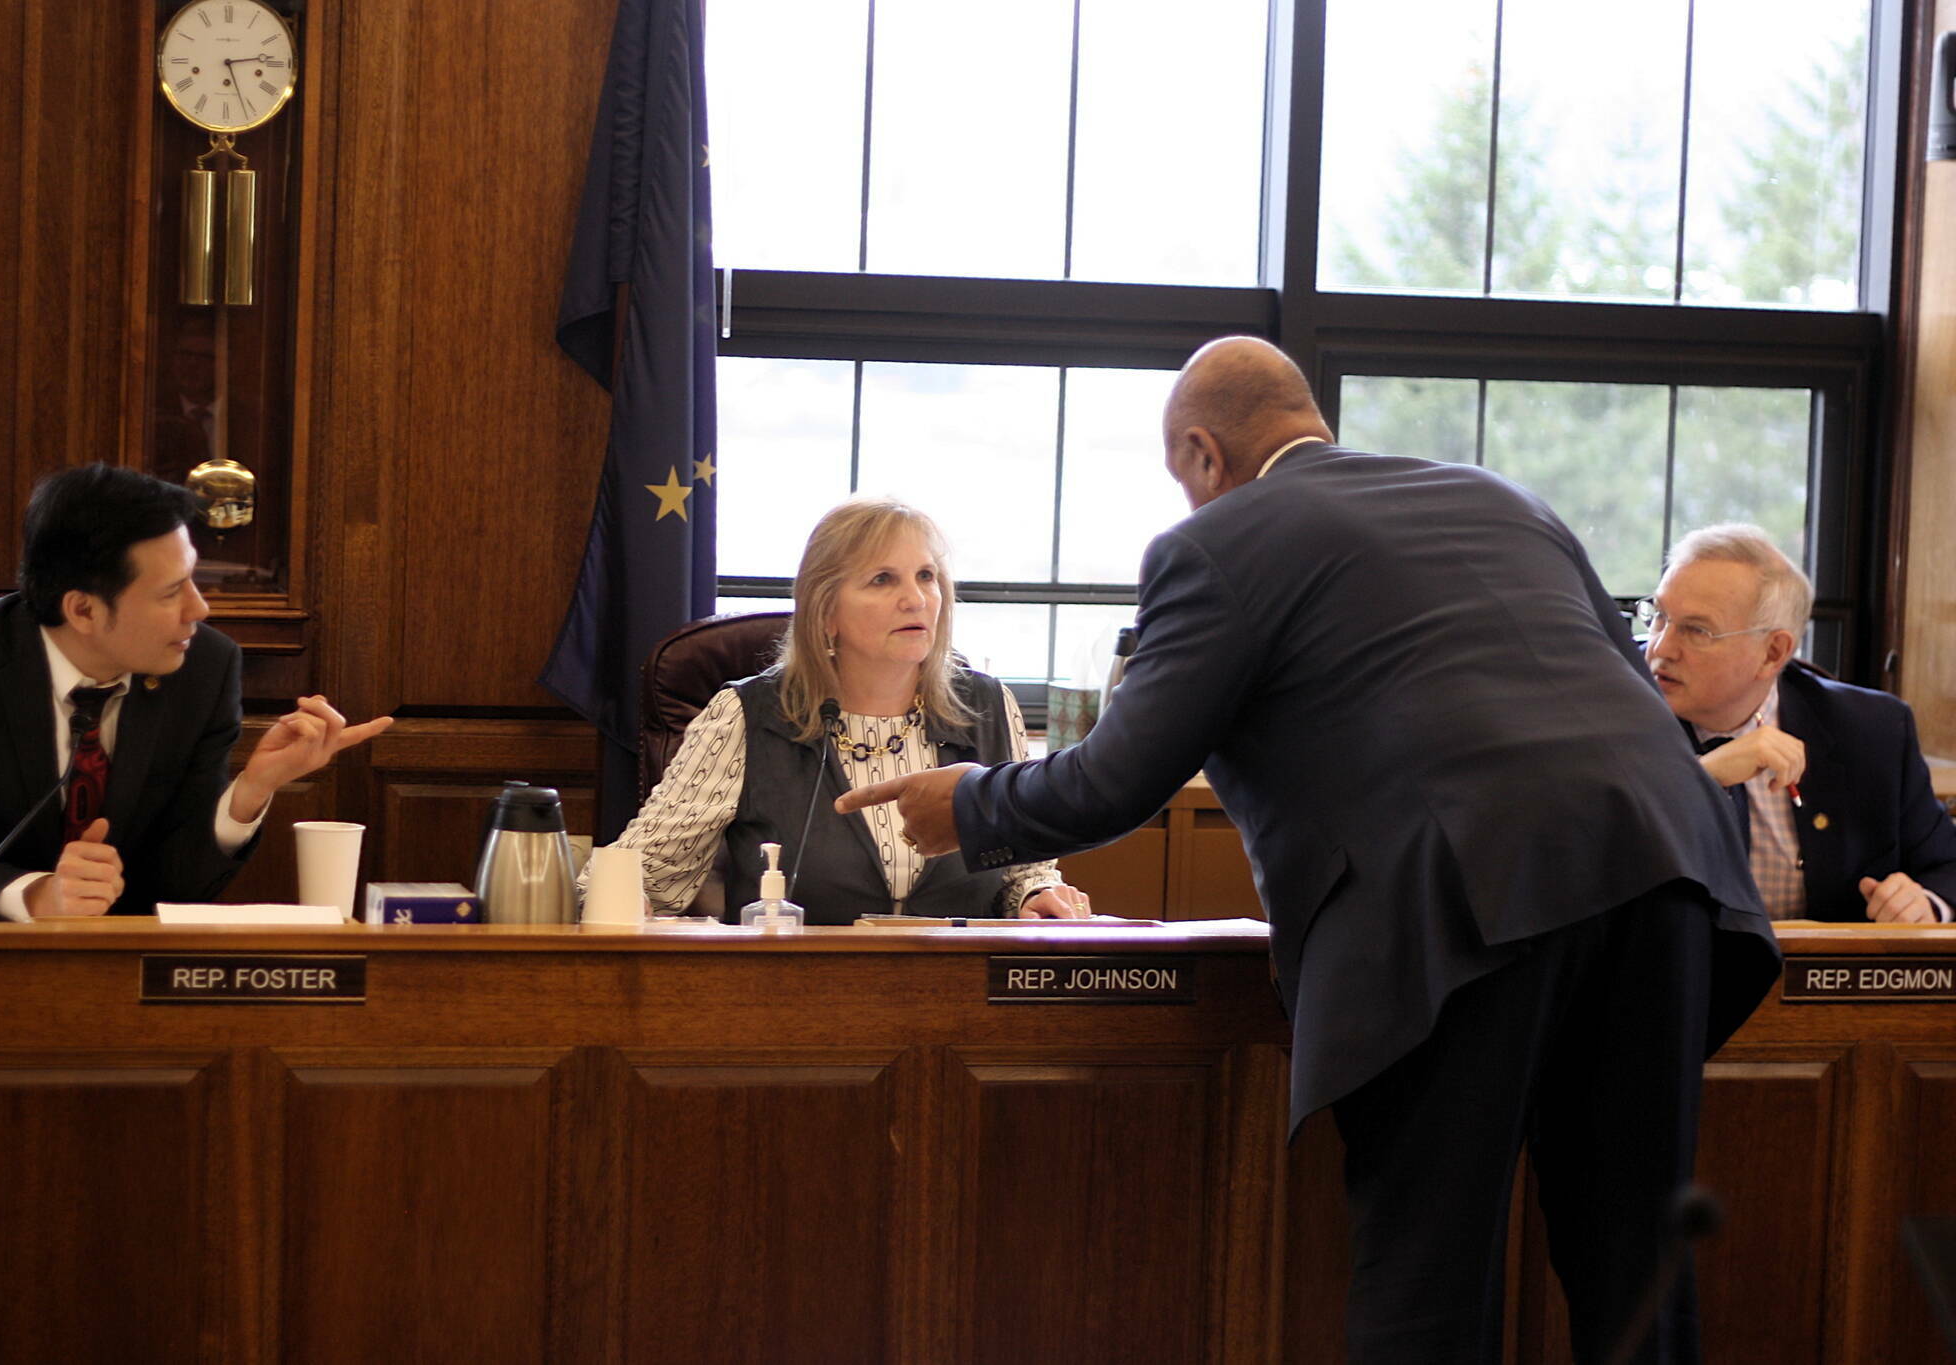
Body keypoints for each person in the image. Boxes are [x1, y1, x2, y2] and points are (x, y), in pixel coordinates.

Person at [840, 337, 1781, 1364]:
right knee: (1636, 1262)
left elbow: (1114, 779)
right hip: (1669, 871)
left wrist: (968, 803)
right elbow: (1619, 705)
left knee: (1426, 1278)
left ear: (1201, 453)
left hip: (1458, 908)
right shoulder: (1497, 497)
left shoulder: (1218, 542)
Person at [0, 464, 392, 920]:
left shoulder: (205, 668)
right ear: (83, 611)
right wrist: (36, 895)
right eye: (170, 592)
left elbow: (178, 886)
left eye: (194, 580)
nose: (198, 609)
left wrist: (251, 790)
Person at [585, 496, 1089, 924]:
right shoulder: (746, 715)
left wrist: (1035, 896)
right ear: (826, 612)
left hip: (956, 998)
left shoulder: (989, 708)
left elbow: (1025, 869)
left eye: (927, 576)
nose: (916, 599)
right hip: (792, 1003)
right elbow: (637, 880)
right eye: (882, 580)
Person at [1644, 523, 1956, 923]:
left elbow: (1946, 866)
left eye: (1697, 630)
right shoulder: (1611, 708)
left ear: (1773, 653)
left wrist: (1925, 903)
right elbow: (1578, 853)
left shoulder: (1871, 731)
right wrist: (1703, 777)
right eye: (1659, 616)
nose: (1661, 647)